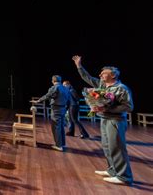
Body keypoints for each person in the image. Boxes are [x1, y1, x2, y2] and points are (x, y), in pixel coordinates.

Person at [72, 55, 133, 185]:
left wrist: (106, 109)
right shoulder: (102, 85)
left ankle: (124, 177)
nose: (100, 75)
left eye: (104, 73)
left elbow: (128, 107)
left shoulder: (121, 88)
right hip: (105, 119)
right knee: (107, 146)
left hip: (115, 121)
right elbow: (87, 78)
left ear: (113, 76)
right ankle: (112, 170)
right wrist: (79, 66)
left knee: (116, 147)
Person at [36, 75, 70, 151]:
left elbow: (48, 95)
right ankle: (62, 144)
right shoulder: (65, 88)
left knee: (56, 127)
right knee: (61, 127)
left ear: (53, 81)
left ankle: (58, 145)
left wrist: (39, 100)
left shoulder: (55, 87)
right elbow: (68, 99)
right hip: (63, 109)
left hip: (56, 109)